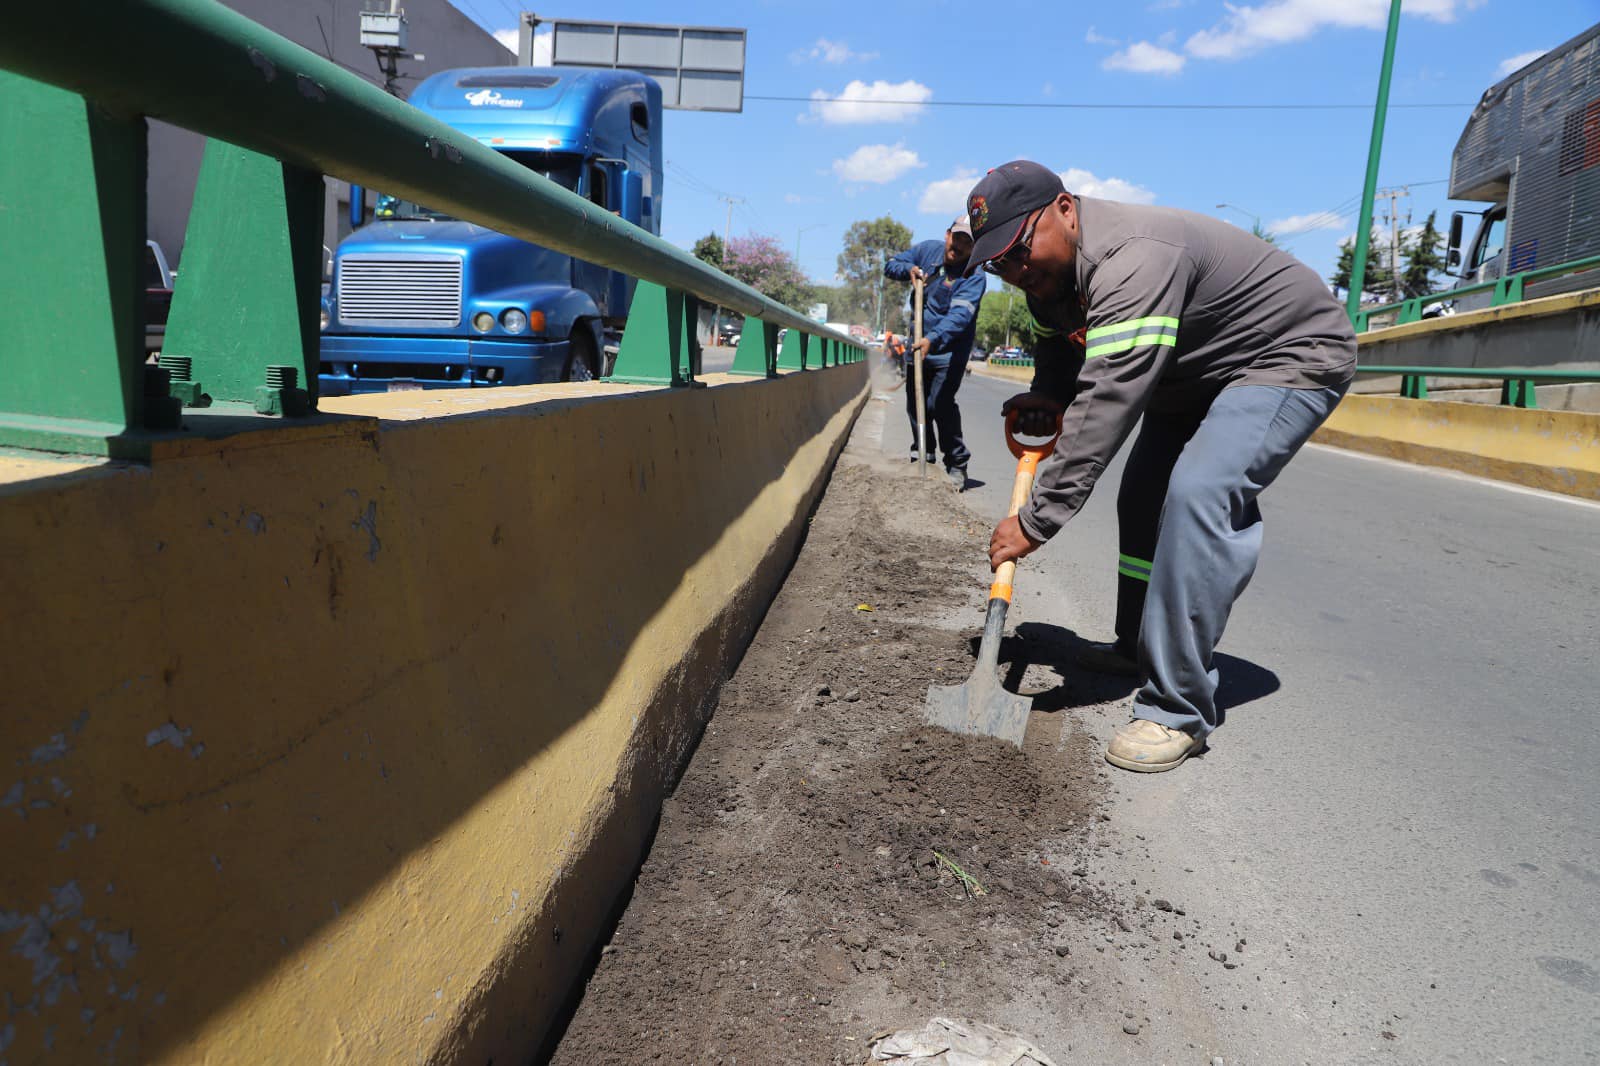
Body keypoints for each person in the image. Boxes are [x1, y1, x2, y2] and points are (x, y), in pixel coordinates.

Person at [963, 160, 1355, 773]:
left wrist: (1037, 519)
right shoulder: (1044, 277)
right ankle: (1135, 647)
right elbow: (1059, 357)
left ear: (1066, 210)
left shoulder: (1133, 258)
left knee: (1200, 492)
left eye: (1021, 250)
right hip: (1190, 375)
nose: (1016, 271)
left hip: (1285, 355)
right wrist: (1047, 393)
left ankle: (1178, 709)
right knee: (1143, 493)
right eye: (1000, 264)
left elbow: (1110, 396)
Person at [884, 216, 986, 488]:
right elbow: (890, 264)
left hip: (949, 351)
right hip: (916, 343)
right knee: (914, 402)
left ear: (974, 248)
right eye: (957, 238)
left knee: (939, 404)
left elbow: (959, 317)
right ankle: (924, 455)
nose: (960, 246)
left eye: (968, 243)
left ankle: (956, 463)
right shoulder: (927, 250)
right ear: (947, 234)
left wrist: (933, 339)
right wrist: (908, 270)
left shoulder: (974, 275)